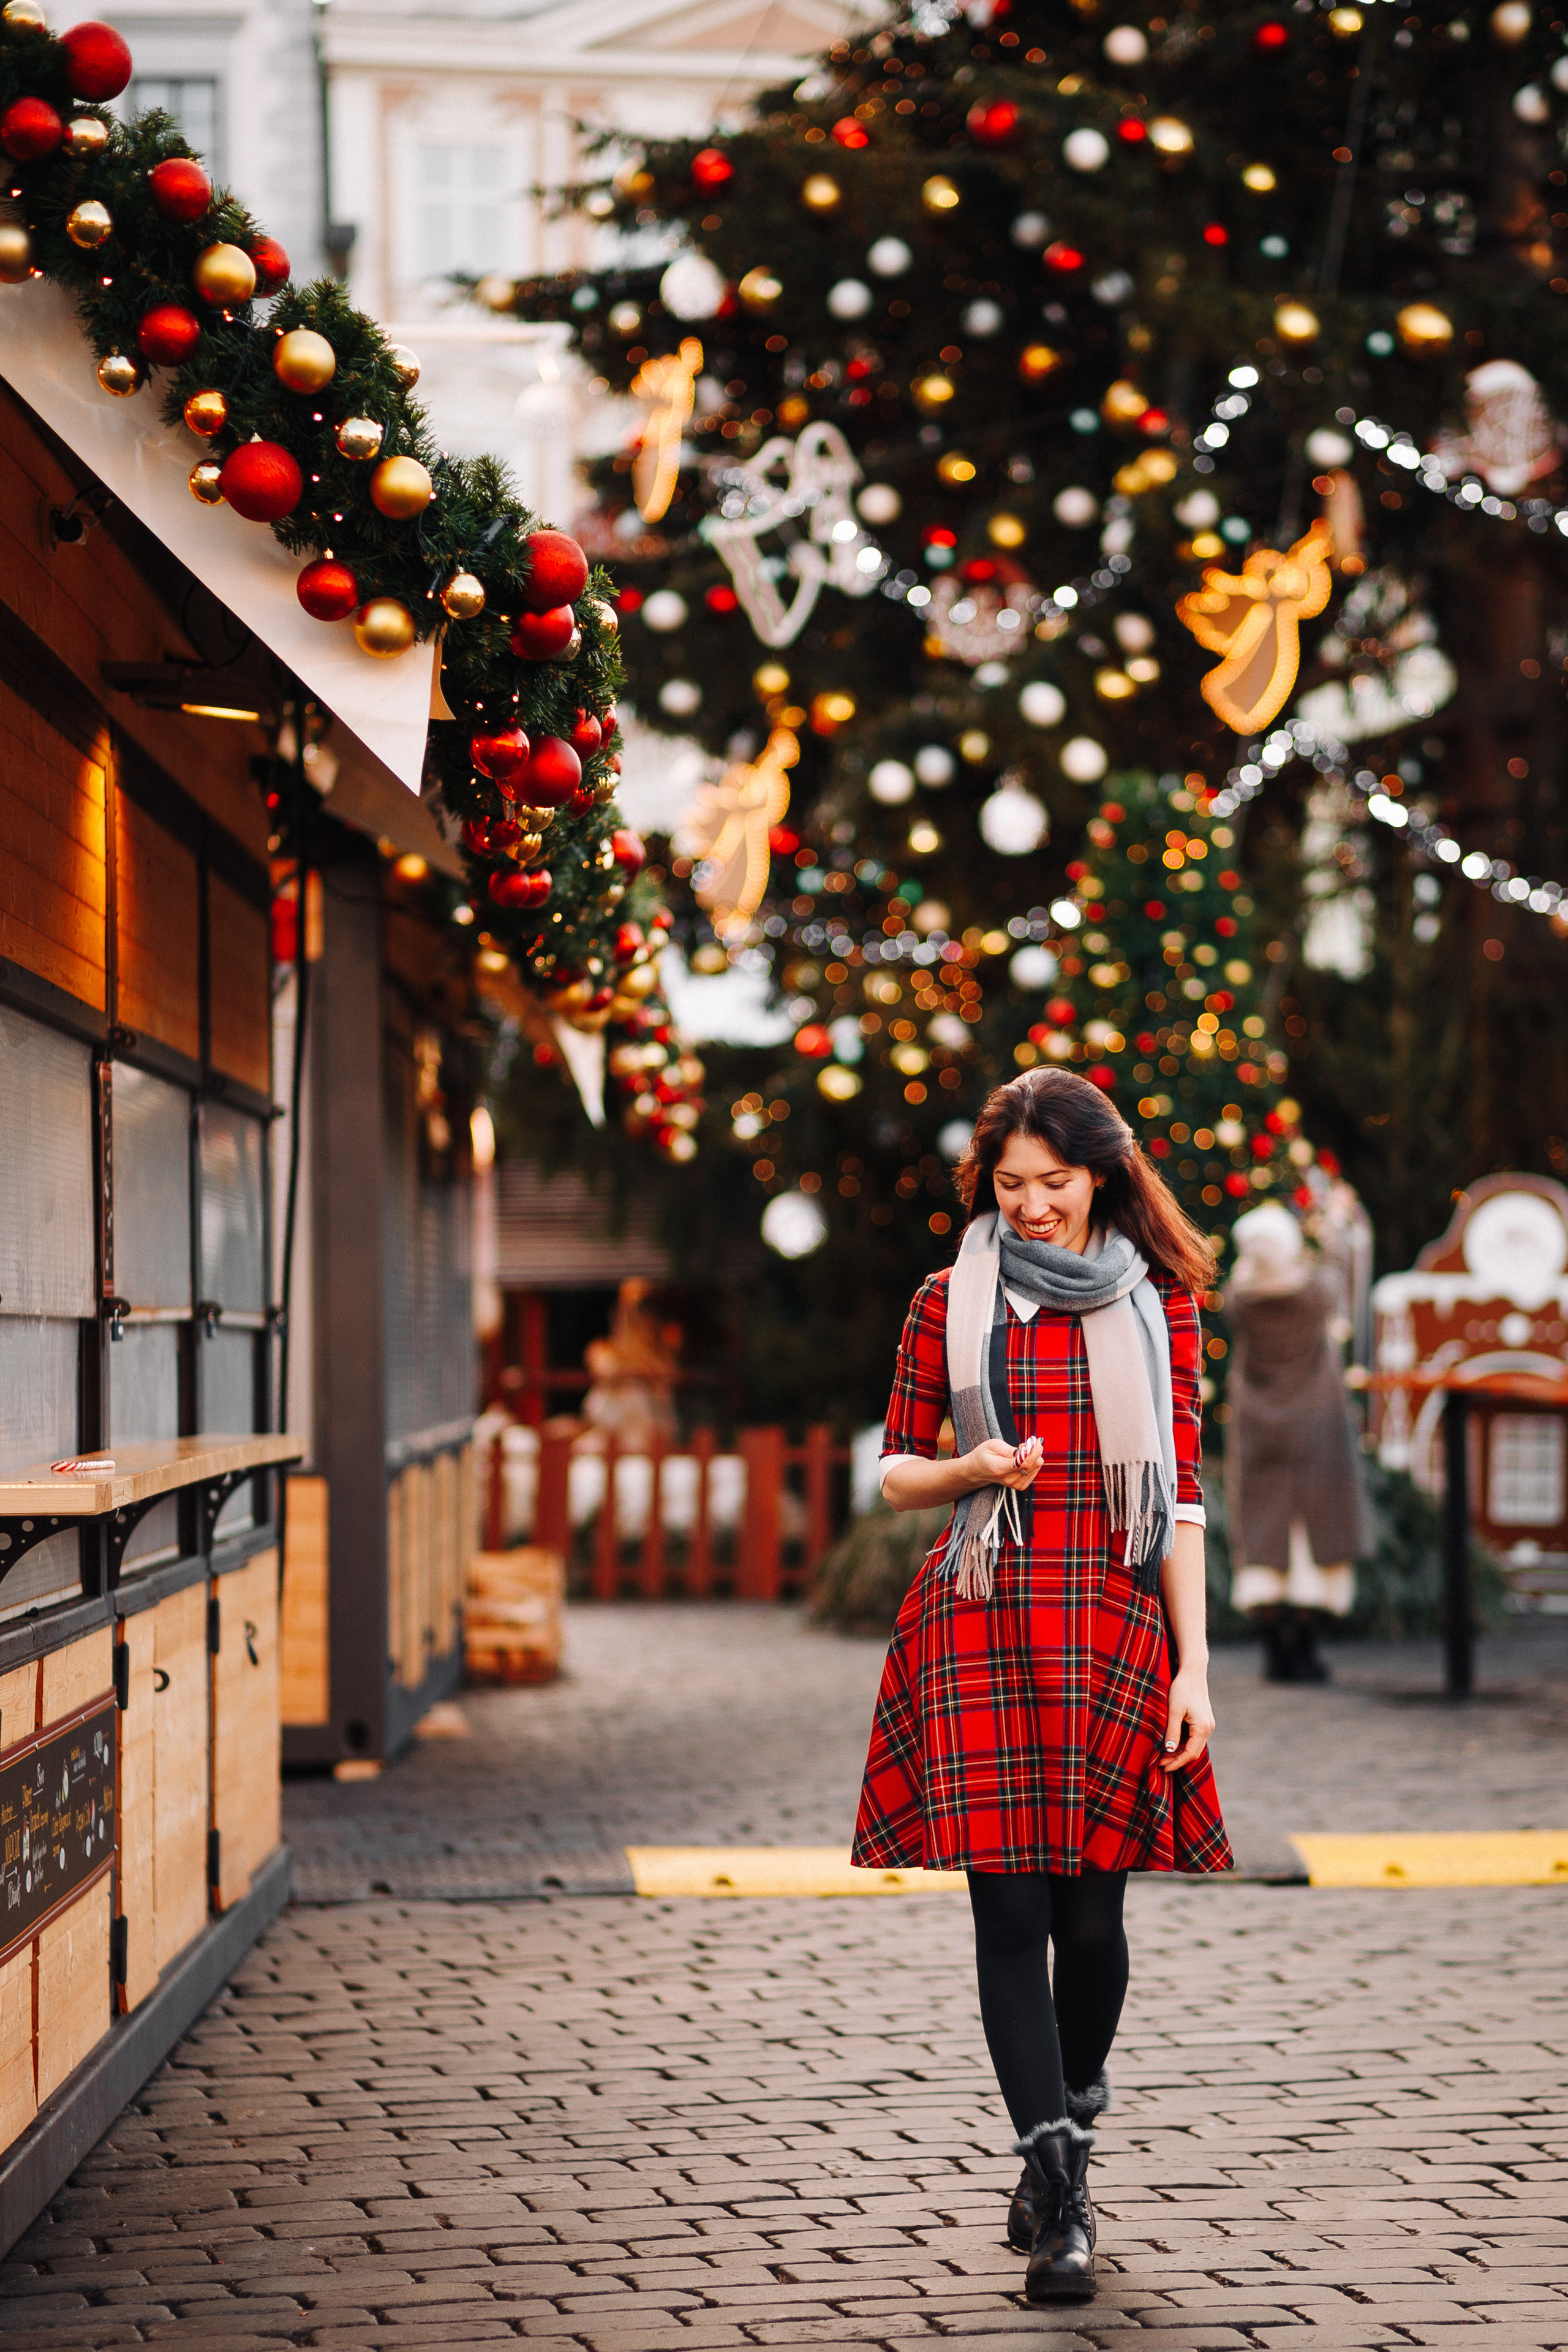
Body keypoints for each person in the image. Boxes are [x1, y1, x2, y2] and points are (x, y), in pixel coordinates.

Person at [852, 1067, 1231, 2307]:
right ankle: (1059, 2193)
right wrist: (970, 1467)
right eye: (1010, 1185)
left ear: (1101, 1177)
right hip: (981, 1624)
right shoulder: (945, 1300)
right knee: (1009, 1920)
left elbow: (1179, 1498)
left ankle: (1069, 2110)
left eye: (1054, 1183)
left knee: (1093, 1927)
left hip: (1108, 1631)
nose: (1031, 1207)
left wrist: (1194, 1667)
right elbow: (893, 1473)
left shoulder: (1159, 1305)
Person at [1224, 1196, 1368, 1683]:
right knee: (1312, 1538)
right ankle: (1306, 1651)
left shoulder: (1239, 1302)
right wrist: (1333, 1223)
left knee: (1263, 1530)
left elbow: (1241, 1278)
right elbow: (1338, 1265)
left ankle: (1274, 1651)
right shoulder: (1312, 1297)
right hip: (1316, 1429)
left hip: (1257, 1429)